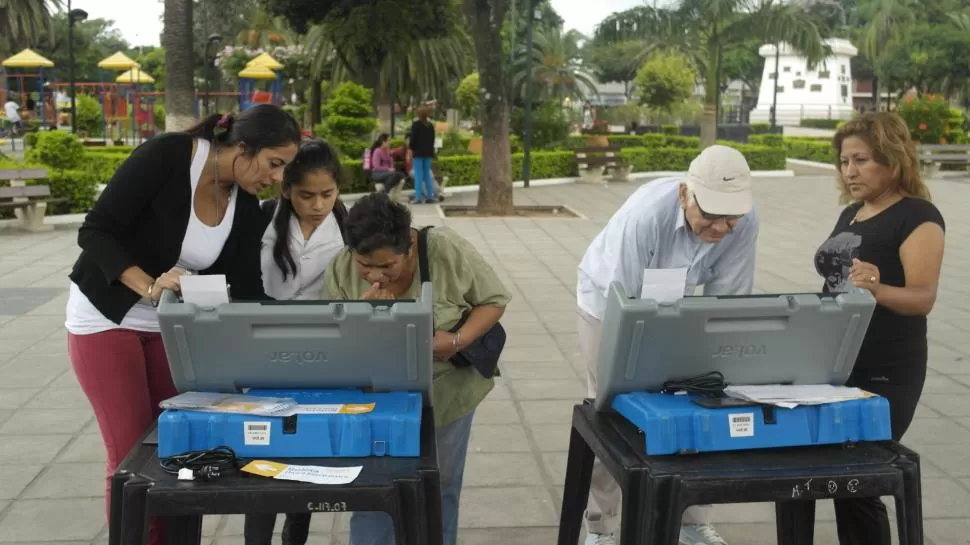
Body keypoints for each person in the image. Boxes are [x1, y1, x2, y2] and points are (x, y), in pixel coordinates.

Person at [65, 104, 302, 545]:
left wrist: (307, 322)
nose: (277, 178)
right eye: (274, 163)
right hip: (105, 317)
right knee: (132, 455)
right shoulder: (170, 156)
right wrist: (150, 286)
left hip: (171, 327)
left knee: (181, 448)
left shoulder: (245, 206)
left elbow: (246, 289)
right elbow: (96, 231)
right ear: (244, 147)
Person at [575, 145, 760, 545]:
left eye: (730, 218)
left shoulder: (744, 222)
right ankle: (600, 525)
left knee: (702, 403)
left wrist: (716, 365)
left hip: (680, 302)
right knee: (609, 409)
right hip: (608, 302)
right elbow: (624, 305)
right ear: (683, 195)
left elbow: (729, 302)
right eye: (710, 214)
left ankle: (692, 520)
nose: (720, 228)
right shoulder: (645, 216)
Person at [322, 193, 511, 545]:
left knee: (439, 485)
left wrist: (457, 340)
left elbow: (493, 300)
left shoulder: (444, 249)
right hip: (376, 399)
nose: (375, 275)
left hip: (447, 391)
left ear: (409, 246)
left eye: (387, 266)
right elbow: (332, 342)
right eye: (364, 265)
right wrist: (358, 316)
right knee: (372, 489)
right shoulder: (339, 268)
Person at [812, 111, 945, 545]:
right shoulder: (852, 213)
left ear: (893, 159)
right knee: (842, 480)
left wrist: (877, 288)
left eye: (861, 160)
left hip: (886, 371)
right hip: (838, 363)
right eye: (843, 161)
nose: (849, 171)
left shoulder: (918, 216)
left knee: (859, 480)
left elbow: (923, 297)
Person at [244, 138, 349, 545]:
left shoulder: (349, 227)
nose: (318, 205)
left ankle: (296, 532)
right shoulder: (261, 219)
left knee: (307, 445)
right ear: (286, 189)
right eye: (307, 195)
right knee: (262, 446)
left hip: (323, 349)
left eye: (328, 194)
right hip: (263, 347)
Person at [408, 106, 436, 204]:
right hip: (428, 153)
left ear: (418, 115)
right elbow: (432, 139)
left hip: (418, 153)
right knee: (427, 174)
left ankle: (418, 198)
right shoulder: (430, 125)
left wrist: (410, 150)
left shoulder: (416, 125)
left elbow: (413, 140)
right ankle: (430, 197)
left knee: (418, 175)